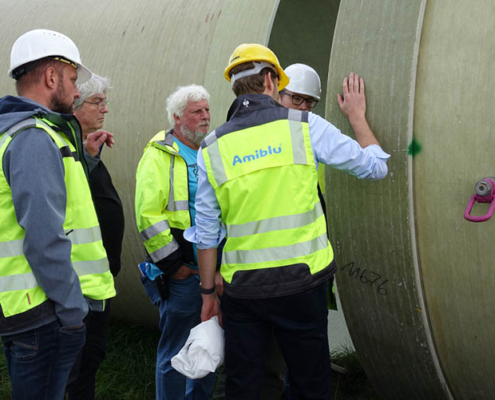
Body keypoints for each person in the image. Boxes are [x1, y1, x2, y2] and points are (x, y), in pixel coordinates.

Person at [185, 43, 390, 399]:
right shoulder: (304, 127)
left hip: (243, 292)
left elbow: (205, 232)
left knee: (244, 386)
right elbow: (375, 167)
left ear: (235, 86)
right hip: (302, 284)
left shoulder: (212, 147)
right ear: (269, 80)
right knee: (310, 384)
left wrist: (207, 294)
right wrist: (357, 116)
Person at [0, 29, 115, 400]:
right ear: (52, 77)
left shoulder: (21, 134)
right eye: (72, 79)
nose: (77, 90)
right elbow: (45, 235)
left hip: (33, 309)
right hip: (45, 313)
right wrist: (71, 310)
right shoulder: (33, 137)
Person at [135, 85, 216, 399]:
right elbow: (147, 215)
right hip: (183, 276)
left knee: (208, 348)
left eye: (207, 110)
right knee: (175, 351)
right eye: (197, 112)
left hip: (210, 274)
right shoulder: (159, 154)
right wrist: (173, 266)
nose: (205, 117)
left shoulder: (209, 150)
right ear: (177, 117)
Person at [66, 74, 125, 399]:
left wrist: (91, 153)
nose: (104, 109)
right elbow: (67, 197)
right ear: (75, 106)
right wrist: (87, 157)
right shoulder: (62, 145)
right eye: (96, 102)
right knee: (77, 364)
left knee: (90, 358)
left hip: (97, 278)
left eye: (105, 102)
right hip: (78, 282)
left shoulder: (83, 146)